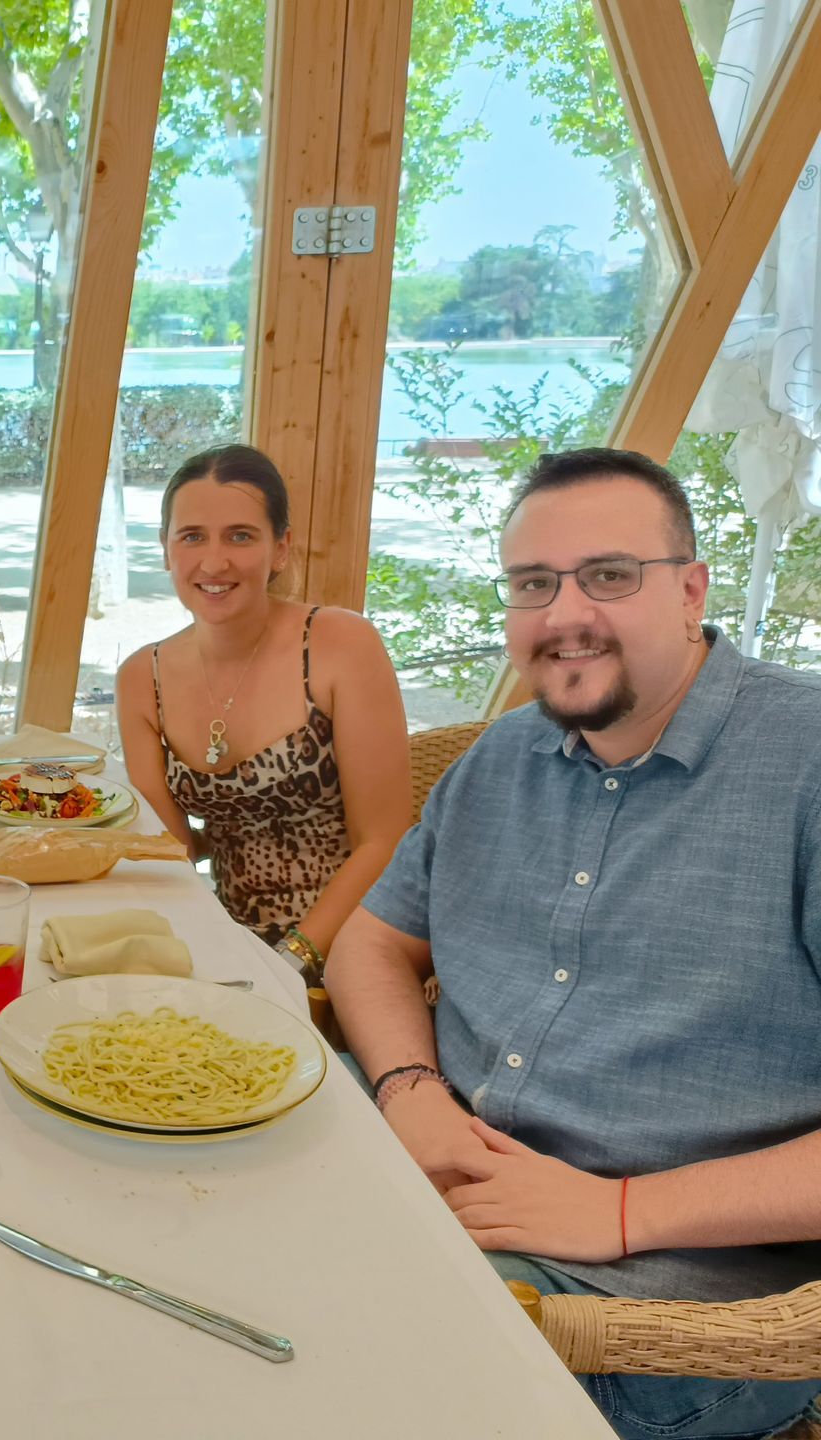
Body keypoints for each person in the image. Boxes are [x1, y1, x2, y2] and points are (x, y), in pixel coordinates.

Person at [326, 447, 821, 1439]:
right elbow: (367, 946)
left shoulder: (806, 766)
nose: (562, 615)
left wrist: (623, 1211)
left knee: (311, 1370)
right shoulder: (500, 757)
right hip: (429, 1172)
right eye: (532, 584)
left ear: (690, 591)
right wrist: (410, 1094)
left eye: (606, 575)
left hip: (654, 1302)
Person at [116, 443, 411, 980]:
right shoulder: (142, 678)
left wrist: (291, 960)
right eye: (192, 537)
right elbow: (172, 852)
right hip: (230, 942)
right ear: (165, 550)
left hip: (363, 938)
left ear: (281, 548)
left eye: (241, 536)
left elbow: (384, 842)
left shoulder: (341, 644)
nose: (213, 561)